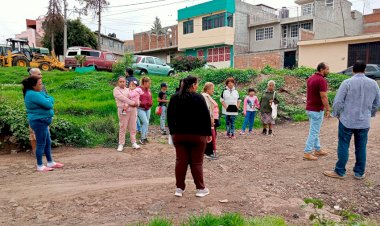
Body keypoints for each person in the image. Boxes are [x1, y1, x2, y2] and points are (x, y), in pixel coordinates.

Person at [323, 61, 380, 179]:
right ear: (365, 70)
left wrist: (337, 114)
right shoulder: (374, 84)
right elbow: (377, 102)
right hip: (364, 122)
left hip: (347, 120)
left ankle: (340, 171)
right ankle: (359, 173)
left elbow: (338, 101)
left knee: (343, 145)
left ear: (353, 70)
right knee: (361, 147)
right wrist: (370, 113)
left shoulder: (347, 82)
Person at [168, 75, 212, 198]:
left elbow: (170, 117)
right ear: (193, 85)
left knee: (180, 161)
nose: (197, 86)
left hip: (179, 135)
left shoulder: (174, 97)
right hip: (197, 136)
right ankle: (200, 189)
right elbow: (205, 116)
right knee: (197, 163)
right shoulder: (199, 97)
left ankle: (179, 189)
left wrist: (172, 133)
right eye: (197, 84)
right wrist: (208, 133)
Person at [22, 76, 64, 172]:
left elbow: (50, 98)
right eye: (40, 84)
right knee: (41, 143)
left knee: (48, 142)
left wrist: (48, 99)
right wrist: (49, 100)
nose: (42, 86)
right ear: (33, 86)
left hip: (43, 122)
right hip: (39, 122)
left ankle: (50, 162)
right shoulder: (33, 94)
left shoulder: (36, 92)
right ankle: (40, 165)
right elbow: (49, 104)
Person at [303, 62, 330, 161]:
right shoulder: (321, 80)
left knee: (314, 130)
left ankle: (317, 149)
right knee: (314, 131)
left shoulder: (311, 78)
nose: (328, 71)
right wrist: (328, 108)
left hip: (310, 108)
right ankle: (307, 152)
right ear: (322, 69)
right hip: (317, 109)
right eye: (327, 69)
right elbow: (323, 96)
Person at [113, 77, 142, 151]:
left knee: (133, 127)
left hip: (132, 110)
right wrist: (133, 103)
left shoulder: (129, 89)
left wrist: (137, 103)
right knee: (123, 127)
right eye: (120, 81)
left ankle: (134, 142)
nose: (122, 83)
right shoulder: (116, 90)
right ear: (118, 82)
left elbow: (135, 96)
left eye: (123, 81)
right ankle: (121, 144)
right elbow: (123, 98)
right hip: (123, 111)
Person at [27, 68, 46, 156]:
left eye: (40, 74)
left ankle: (43, 150)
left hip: (43, 112)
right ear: (31, 76)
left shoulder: (42, 85)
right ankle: (35, 151)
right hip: (35, 113)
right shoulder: (28, 87)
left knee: (44, 131)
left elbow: (46, 96)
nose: (41, 76)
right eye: (38, 74)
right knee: (33, 132)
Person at [202, 82, 219, 160]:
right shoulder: (205, 96)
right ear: (208, 89)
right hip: (209, 119)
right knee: (210, 135)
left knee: (212, 134)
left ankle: (208, 151)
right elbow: (207, 109)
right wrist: (210, 119)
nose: (213, 90)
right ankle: (208, 152)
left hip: (211, 119)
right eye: (212, 89)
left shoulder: (207, 96)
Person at [137, 76, 153, 145]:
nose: (150, 85)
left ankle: (145, 137)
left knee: (147, 123)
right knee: (145, 122)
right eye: (149, 83)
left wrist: (151, 103)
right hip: (140, 108)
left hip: (148, 108)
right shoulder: (138, 89)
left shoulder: (148, 90)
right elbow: (135, 97)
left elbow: (150, 98)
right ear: (144, 83)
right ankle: (142, 138)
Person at [125, 68, 142, 133]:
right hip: (136, 100)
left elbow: (126, 90)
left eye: (125, 72)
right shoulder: (137, 80)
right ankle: (138, 128)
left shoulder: (126, 80)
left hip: (129, 99)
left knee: (128, 114)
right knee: (135, 114)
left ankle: (136, 128)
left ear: (127, 73)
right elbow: (139, 90)